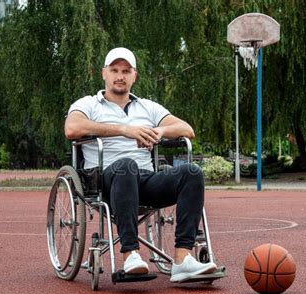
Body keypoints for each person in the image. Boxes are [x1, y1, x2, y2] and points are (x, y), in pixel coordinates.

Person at [64, 47, 216, 282]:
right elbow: (72, 128)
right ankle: (130, 253)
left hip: (145, 179)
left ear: (135, 75)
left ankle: (183, 259)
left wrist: (160, 130)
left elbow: (187, 130)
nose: (120, 76)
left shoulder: (148, 107)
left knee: (191, 172)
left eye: (126, 71)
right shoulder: (89, 104)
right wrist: (124, 130)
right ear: (103, 73)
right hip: (104, 179)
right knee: (127, 166)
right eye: (114, 70)